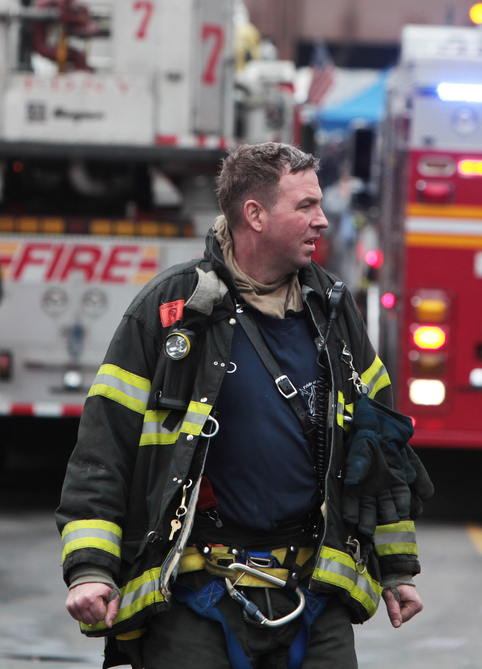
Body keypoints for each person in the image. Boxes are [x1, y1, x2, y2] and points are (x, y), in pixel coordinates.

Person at [56, 142, 432, 668]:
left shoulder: (333, 308)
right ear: (254, 214)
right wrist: (91, 569)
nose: (322, 220)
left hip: (313, 592)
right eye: (305, 206)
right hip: (196, 597)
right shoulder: (170, 311)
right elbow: (102, 453)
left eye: (319, 205)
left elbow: (380, 446)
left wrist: (397, 568)